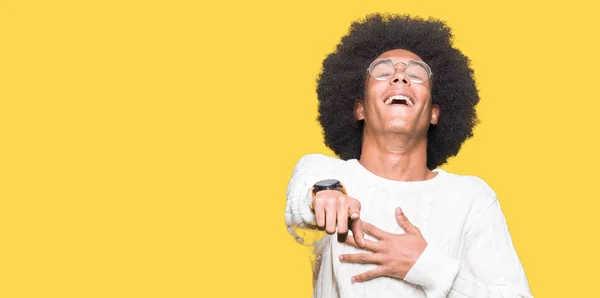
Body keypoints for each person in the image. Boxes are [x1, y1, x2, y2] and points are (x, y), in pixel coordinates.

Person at [284, 13, 533, 298]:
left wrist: (425, 267)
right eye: (382, 71)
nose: (400, 76)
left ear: (435, 113)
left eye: (416, 74)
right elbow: (306, 198)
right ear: (359, 108)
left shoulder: (473, 196)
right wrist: (323, 197)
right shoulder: (327, 172)